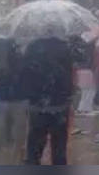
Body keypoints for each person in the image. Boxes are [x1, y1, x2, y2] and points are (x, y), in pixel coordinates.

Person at [20, 31, 74, 165]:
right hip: (60, 105)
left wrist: (29, 96)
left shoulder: (32, 47)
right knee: (59, 147)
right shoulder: (65, 47)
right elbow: (69, 74)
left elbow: (25, 75)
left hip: (38, 106)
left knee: (35, 147)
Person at [0, 42, 27, 161]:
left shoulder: (0, 63)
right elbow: (28, 80)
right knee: (19, 131)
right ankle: (16, 155)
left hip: (3, 100)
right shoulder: (23, 62)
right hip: (19, 100)